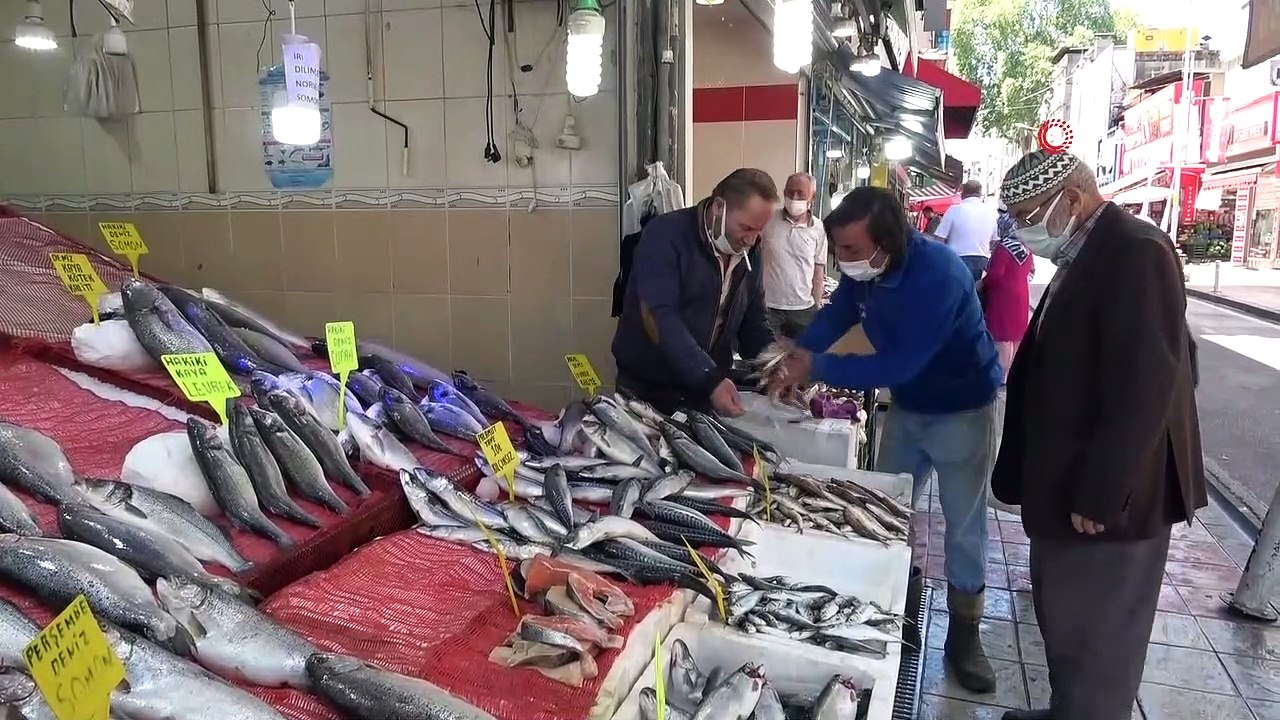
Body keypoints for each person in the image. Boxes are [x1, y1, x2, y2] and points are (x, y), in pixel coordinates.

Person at [994, 151, 1207, 720]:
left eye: (1029, 214)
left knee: (1100, 636)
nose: (1021, 229)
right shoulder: (1083, 250)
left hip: (1111, 499)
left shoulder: (1135, 251)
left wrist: (1101, 491)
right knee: (1065, 619)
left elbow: (1146, 385)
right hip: (1067, 479)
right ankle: (1071, 709)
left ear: (1073, 198)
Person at [767, 186, 1003, 694]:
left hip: (962, 408)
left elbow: (900, 363)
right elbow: (839, 312)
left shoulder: (938, 274)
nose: (844, 261)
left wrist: (819, 366)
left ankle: (965, 634)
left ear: (888, 240)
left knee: (963, 524)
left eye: (852, 251)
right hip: (910, 407)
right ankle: (897, 603)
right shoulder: (869, 273)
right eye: (838, 251)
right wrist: (797, 355)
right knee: (881, 506)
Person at [611, 168, 777, 416]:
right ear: (719, 207)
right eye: (746, 227)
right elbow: (658, 315)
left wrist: (773, 365)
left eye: (758, 231)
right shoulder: (666, 235)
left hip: (702, 391)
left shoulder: (749, 252)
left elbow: (753, 322)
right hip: (648, 390)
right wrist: (708, 378)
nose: (751, 240)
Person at [761, 172, 828, 339]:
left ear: (812, 197)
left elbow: (818, 271)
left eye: (801, 194)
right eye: (790, 193)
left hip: (803, 309)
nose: (794, 197)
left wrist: (817, 303)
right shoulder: (767, 220)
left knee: (801, 359)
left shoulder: (818, 228)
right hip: (768, 307)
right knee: (766, 358)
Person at [979, 205, 1033, 382]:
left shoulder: (1004, 247)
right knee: (1016, 336)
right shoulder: (1026, 245)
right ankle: (1013, 374)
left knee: (1003, 337)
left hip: (1003, 296)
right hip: (1021, 293)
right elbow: (1031, 272)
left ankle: (1002, 376)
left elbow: (995, 274)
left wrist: (982, 284)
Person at [935, 179, 998, 283]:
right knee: (975, 294)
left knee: (957, 293)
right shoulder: (990, 212)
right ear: (980, 193)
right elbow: (994, 241)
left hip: (957, 259)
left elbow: (939, 238)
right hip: (982, 260)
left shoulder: (954, 210)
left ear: (963, 192)